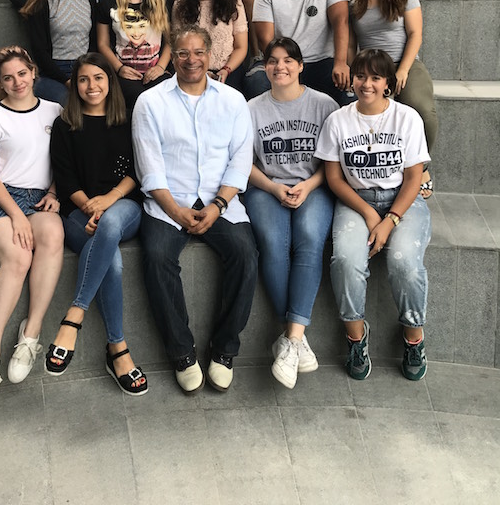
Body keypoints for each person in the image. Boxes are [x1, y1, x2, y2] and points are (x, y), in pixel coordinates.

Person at [132, 25, 258, 394]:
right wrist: (175, 211)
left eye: (198, 52)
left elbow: (240, 159)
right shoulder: (151, 102)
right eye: (183, 53)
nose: (191, 60)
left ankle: (224, 350)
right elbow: (149, 165)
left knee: (246, 254)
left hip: (221, 202)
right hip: (168, 202)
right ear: (172, 54)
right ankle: (182, 353)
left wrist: (219, 205)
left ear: (209, 53)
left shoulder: (232, 100)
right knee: (156, 256)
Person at [315, 49, 431, 382]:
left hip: (403, 200)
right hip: (356, 200)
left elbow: (413, 178)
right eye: (361, 76)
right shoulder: (339, 119)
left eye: (375, 78)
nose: (366, 84)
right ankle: (356, 337)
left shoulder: (406, 118)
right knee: (346, 261)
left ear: (387, 84)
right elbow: (334, 178)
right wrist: (368, 213)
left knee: (404, 261)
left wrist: (390, 220)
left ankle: (414, 338)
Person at [0, 46, 64, 408]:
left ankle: (30, 334)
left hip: (38, 199)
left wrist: (55, 191)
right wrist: (17, 216)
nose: (16, 82)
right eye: (8, 77)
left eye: (22, 74)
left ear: (33, 72)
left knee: (53, 234)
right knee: (20, 257)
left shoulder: (55, 111)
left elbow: (64, 162)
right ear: (0, 83)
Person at [47, 53, 147, 395]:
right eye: (84, 79)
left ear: (110, 82)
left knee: (110, 225)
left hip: (124, 208)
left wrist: (108, 200)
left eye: (99, 78)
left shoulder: (128, 120)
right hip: (79, 213)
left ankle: (74, 315)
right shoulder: (65, 125)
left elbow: (137, 171)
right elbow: (66, 177)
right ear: (75, 85)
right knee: (112, 260)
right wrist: (90, 208)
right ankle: (118, 350)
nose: (92, 85)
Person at [245, 38, 338, 389]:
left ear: (300, 66)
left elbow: (332, 162)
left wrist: (310, 185)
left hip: (313, 185)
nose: (279, 67)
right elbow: (243, 164)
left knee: (310, 239)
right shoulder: (251, 108)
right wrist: (272, 187)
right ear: (264, 67)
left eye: (288, 60)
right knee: (271, 242)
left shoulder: (324, 105)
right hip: (266, 187)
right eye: (272, 61)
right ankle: (296, 337)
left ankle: (291, 338)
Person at [349, 0, 438, 198]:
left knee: (421, 109)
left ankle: (420, 167)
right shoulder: (354, 1)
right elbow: (352, 43)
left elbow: (415, 35)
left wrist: (402, 71)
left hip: (404, 63)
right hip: (370, 69)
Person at [248, 0, 352, 106]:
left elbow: (341, 22)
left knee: (350, 92)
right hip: (285, 62)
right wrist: (287, 66)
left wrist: (341, 63)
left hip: (322, 62)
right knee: (256, 82)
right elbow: (266, 40)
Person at [20, 0, 97, 105]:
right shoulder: (41, 0)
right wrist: (68, 81)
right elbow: (40, 52)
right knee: (66, 100)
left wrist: (86, 74)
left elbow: (93, 42)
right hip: (53, 72)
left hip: (84, 67)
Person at [97, 0, 171, 109]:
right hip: (123, 72)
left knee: (163, 99)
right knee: (138, 99)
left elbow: (170, 41)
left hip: (156, 71)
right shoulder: (108, 0)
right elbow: (102, 44)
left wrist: (160, 67)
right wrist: (119, 68)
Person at [172, 0, 248, 90]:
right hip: (191, 69)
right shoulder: (180, 6)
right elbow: (177, 47)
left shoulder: (234, 2)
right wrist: (200, 71)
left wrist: (226, 70)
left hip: (228, 70)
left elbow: (241, 47)